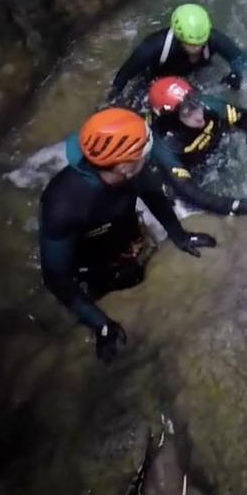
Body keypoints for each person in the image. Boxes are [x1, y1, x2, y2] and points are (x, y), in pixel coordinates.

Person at [39, 108, 217, 362]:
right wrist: (99, 322)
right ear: (124, 166)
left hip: (128, 240)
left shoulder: (132, 171)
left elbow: (154, 196)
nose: (148, 155)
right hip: (91, 266)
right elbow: (56, 277)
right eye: (143, 151)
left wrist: (180, 236)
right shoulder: (63, 204)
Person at [148, 76, 247, 216]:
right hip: (191, 169)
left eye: (195, 104)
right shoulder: (164, 146)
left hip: (214, 151)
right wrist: (231, 205)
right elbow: (186, 190)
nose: (199, 116)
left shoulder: (208, 106)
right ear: (172, 118)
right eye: (187, 112)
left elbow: (242, 116)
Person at [107, 3, 247, 104]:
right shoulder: (153, 47)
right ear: (178, 37)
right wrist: (112, 99)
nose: (197, 48)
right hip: (157, 79)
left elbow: (240, 59)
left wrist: (236, 75)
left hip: (196, 75)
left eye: (201, 43)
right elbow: (124, 76)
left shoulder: (214, 39)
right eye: (191, 44)